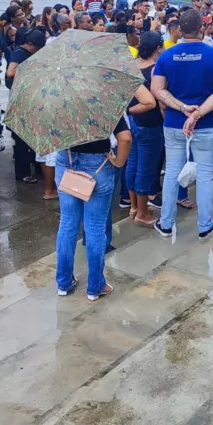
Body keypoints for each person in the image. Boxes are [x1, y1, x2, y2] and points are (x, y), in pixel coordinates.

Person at [151, 8, 213, 239]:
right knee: (205, 175)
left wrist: (183, 109)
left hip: (175, 123)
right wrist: (197, 114)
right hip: (205, 125)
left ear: (179, 30)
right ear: (202, 28)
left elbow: (157, 89)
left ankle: (166, 223)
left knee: (173, 172)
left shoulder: (167, 55)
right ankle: (204, 226)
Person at [55, 112, 131, 302]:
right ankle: (95, 286)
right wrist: (119, 161)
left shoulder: (58, 98)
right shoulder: (103, 99)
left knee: (67, 224)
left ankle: (63, 283)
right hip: (98, 164)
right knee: (95, 227)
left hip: (66, 160)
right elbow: (125, 137)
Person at [124, 31, 164, 226]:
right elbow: (154, 102)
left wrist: (130, 111)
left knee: (133, 163)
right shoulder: (156, 69)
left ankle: (134, 206)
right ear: (158, 47)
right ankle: (142, 212)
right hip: (150, 123)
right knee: (145, 168)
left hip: (134, 122)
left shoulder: (133, 64)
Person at [6, 30, 46, 181]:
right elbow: (10, 72)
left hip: (28, 99)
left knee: (31, 137)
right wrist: (32, 66)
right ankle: (22, 173)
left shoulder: (28, 53)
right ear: (30, 45)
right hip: (20, 101)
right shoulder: (19, 53)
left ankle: (36, 168)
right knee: (22, 139)